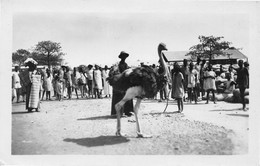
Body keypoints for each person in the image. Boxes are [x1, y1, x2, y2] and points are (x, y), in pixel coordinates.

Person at [111, 51, 134, 117]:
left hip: (125, 81)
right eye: (123, 56)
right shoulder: (118, 65)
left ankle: (127, 111)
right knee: (120, 96)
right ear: (121, 57)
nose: (124, 58)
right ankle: (119, 111)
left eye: (125, 56)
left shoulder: (126, 64)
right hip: (120, 81)